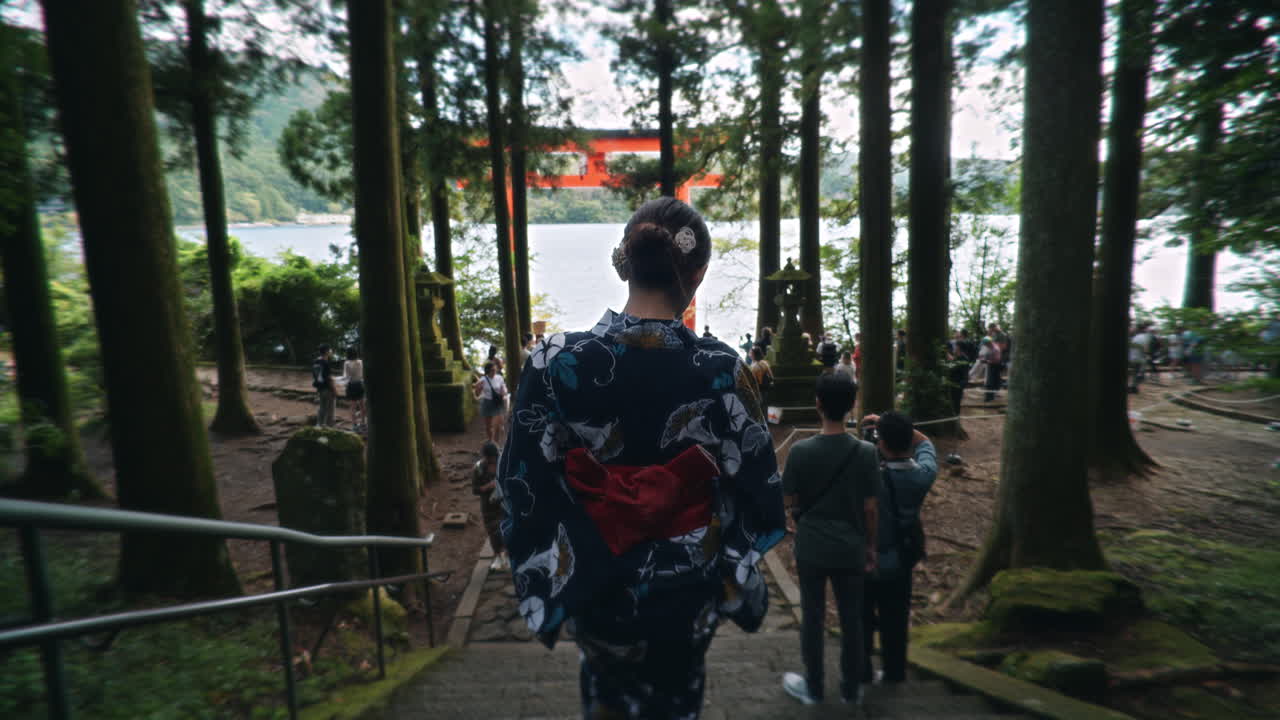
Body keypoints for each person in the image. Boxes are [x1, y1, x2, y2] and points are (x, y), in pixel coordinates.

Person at [497, 197, 786, 719]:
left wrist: (552, 568)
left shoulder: (553, 359)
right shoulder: (720, 368)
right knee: (678, 700)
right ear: (697, 275)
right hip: (688, 586)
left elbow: (523, 480)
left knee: (606, 698)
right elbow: (759, 485)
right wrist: (730, 568)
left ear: (624, 263)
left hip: (594, 579)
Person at [781, 373, 880, 706]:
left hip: (811, 545)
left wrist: (799, 512)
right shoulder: (866, 453)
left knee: (813, 615)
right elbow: (870, 508)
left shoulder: (800, 451)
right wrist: (870, 545)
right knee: (852, 617)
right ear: (852, 406)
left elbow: (790, 499)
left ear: (818, 403)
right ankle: (851, 689)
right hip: (850, 545)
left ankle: (814, 686)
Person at [861, 411, 937, 686]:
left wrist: (878, 430)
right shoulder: (923, 476)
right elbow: (926, 445)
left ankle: (862, 670)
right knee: (896, 617)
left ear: (881, 443)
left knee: (862, 617)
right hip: (901, 559)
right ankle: (894, 672)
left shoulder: (870, 480)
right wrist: (902, 429)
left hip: (866, 559)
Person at [472, 441, 508, 570]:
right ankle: (498, 556)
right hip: (488, 507)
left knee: (505, 529)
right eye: (491, 457)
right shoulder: (479, 468)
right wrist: (488, 486)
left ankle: (507, 555)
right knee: (493, 533)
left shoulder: (503, 462)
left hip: (504, 504)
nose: (494, 459)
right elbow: (475, 490)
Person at [473, 361, 508, 444]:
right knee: (489, 426)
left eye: (495, 369)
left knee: (499, 426)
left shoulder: (499, 377)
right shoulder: (483, 380)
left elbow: (504, 388)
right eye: (492, 370)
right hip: (487, 403)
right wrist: (479, 388)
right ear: (488, 371)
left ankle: (496, 443)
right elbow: (477, 394)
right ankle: (491, 442)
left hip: (497, 403)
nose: (494, 371)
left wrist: (504, 392)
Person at [340, 346, 366, 432]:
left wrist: (340, 380)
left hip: (351, 386)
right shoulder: (360, 362)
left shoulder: (346, 363)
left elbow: (346, 377)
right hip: (360, 385)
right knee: (362, 406)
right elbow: (362, 374)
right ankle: (363, 423)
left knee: (353, 407)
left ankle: (355, 425)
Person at [311, 344, 337, 427]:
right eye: (330, 350)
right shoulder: (326, 362)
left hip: (320, 388)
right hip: (328, 389)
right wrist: (335, 390)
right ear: (326, 352)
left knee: (322, 408)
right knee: (330, 409)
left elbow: (316, 376)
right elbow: (329, 378)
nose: (331, 351)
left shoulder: (316, 361)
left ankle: (319, 425)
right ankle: (330, 427)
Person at [970, 338, 1001, 403]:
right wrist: (984, 359)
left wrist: (986, 361)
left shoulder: (995, 349)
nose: (985, 346)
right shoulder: (990, 348)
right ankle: (989, 397)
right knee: (989, 383)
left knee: (990, 383)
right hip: (990, 366)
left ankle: (989, 398)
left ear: (988, 343)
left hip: (994, 367)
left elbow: (997, 360)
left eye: (985, 344)